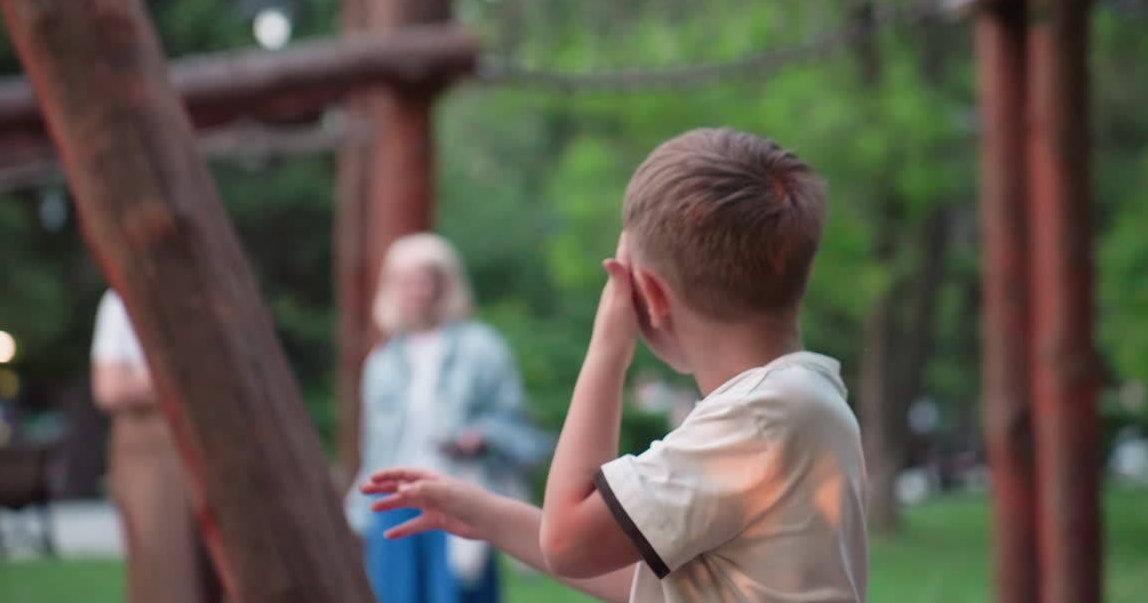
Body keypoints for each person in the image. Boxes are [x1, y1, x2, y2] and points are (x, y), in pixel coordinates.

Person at [361, 129, 868, 603]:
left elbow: (569, 543)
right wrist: (486, 514)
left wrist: (608, 348)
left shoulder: (761, 416)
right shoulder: (800, 402)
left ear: (648, 296)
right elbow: (651, 578)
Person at [345, 233, 551, 603]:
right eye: (406, 280)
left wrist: (482, 436)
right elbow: (373, 447)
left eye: (427, 277)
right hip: (395, 502)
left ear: (444, 284)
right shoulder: (382, 362)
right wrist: (360, 510)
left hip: (457, 496)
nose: (418, 290)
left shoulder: (482, 348)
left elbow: (519, 429)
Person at [91, 289, 222, 603]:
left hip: (212, 442)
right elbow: (109, 388)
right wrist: (182, 375)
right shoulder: (124, 301)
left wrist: (148, 377)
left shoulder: (208, 295)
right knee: (166, 572)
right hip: (152, 448)